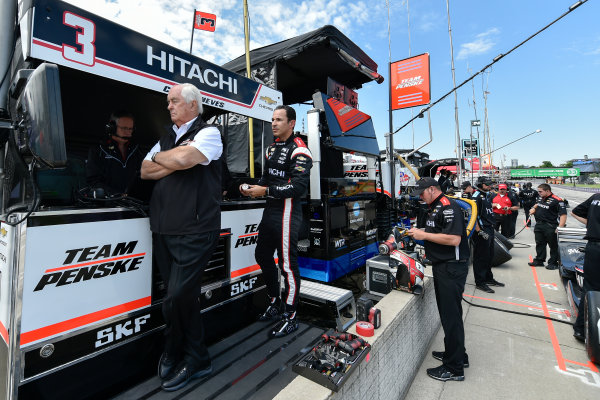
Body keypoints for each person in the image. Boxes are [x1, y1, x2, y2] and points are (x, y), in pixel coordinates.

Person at [141, 83, 223, 392]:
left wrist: (167, 159)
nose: (169, 106)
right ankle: (178, 351)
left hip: (196, 230)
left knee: (177, 295)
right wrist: (171, 159)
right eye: (168, 102)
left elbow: (183, 161)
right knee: (178, 297)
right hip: (163, 229)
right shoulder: (165, 137)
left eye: (174, 101)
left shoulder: (209, 132)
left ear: (192, 104)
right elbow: (144, 171)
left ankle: (194, 356)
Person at [240, 105, 312, 338]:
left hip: (288, 213)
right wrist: (251, 188)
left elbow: (299, 187)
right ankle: (275, 302)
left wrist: (265, 190)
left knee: (287, 265)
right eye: (272, 119)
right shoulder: (272, 148)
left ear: (291, 123)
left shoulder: (300, 150)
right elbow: (265, 179)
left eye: (279, 120)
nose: (273, 123)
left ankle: (291, 316)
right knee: (262, 255)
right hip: (270, 211)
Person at [408, 177, 470, 382]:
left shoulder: (448, 206)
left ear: (432, 189)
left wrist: (424, 236)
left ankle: (454, 369)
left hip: (451, 267)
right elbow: (438, 231)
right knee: (450, 315)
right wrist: (419, 232)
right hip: (444, 266)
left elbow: (453, 239)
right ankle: (457, 354)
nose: (421, 198)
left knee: (450, 317)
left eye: (422, 193)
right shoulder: (435, 207)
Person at [86, 110, 146, 195]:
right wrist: (117, 195)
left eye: (130, 129)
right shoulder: (98, 151)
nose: (128, 132)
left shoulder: (137, 151)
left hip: (134, 204)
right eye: (124, 128)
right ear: (112, 127)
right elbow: (93, 182)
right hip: (109, 205)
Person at [570, 192, 600, 341]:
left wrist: (591, 226)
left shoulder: (596, 197)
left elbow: (574, 212)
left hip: (594, 247)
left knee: (590, 288)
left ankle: (580, 328)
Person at [471, 176, 504, 293]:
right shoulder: (476, 196)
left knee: (489, 255)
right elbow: (473, 216)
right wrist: (479, 231)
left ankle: (488, 278)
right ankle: (480, 282)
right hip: (481, 230)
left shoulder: (487, 195)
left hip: (489, 228)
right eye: (487, 184)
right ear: (480, 184)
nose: (490, 186)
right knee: (480, 257)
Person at [527, 183, 567, 270]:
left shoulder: (557, 200)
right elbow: (538, 204)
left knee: (553, 245)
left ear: (547, 191)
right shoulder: (540, 197)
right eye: (538, 191)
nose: (539, 193)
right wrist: (533, 208)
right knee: (540, 243)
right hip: (539, 224)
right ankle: (539, 260)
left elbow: (563, 215)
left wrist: (560, 227)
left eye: (540, 191)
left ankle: (553, 262)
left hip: (550, 225)